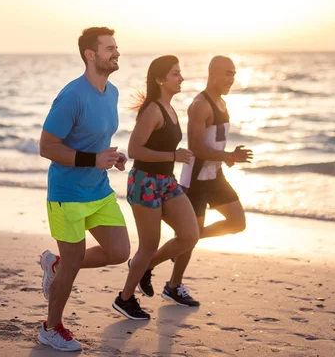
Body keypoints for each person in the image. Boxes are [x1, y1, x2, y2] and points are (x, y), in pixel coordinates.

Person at [37, 27, 130, 351]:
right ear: (90, 55)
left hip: (99, 190)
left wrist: (112, 157)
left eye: (116, 47)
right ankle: (51, 327)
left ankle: (56, 264)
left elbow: (95, 143)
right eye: (109, 49)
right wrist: (93, 158)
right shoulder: (72, 96)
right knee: (74, 263)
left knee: (119, 252)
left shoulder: (112, 92)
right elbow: (47, 146)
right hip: (67, 195)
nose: (116, 53)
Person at [135, 55, 253, 306]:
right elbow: (197, 147)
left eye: (234, 74)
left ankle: (163, 258)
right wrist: (230, 155)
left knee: (237, 223)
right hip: (196, 180)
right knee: (190, 236)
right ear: (212, 74)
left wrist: (227, 157)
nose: (232, 79)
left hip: (215, 175)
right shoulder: (200, 105)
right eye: (227, 73)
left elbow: (213, 140)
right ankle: (169, 283)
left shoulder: (222, 102)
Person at [112, 55, 199, 320]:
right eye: (175, 73)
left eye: (180, 73)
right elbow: (134, 150)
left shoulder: (170, 108)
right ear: (160, 79)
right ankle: (124, 298)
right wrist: (174, 156)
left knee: (189, 235)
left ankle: (145, 267)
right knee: (149, 244)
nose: (181, 78)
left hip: (166, 182)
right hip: (145, 182)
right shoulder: (152, 110)